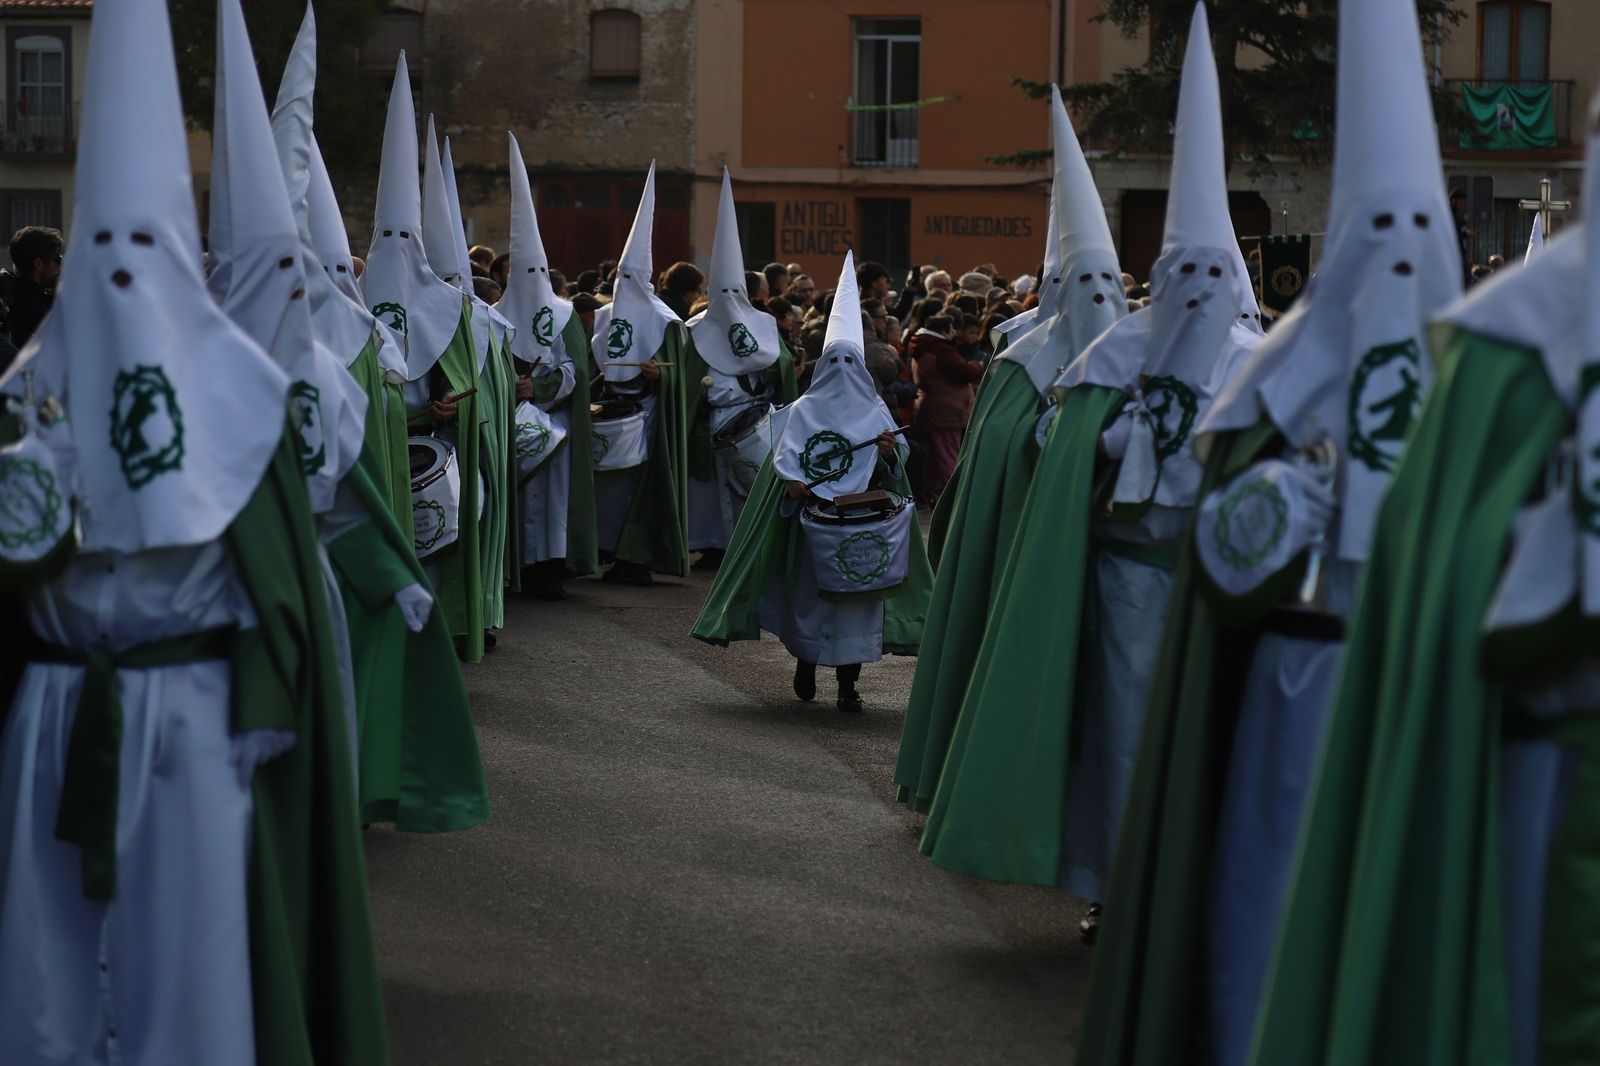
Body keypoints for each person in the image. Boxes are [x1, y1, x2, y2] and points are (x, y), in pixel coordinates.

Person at [1074, 2, 1462, 1062]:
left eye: (1419, 240)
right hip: (1302, 679)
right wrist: (1298, 489)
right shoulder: (1269, 391)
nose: (1399, 264)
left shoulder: (1483, 398)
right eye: (1380, 236)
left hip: (1428, 687)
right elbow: (1230, 551)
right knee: (1279, 894)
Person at [0, 0, 389, 1057]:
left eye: (145, 249)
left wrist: (266, 703)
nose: (123, 275)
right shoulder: (26, 401)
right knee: (48, 968)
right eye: (105, 249)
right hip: (55, 709)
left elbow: (278, 598)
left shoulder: (239, 403)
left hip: (191, 722)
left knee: (194, 969)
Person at [893, 84, 1126, 820]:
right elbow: (989, 468)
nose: (1097, 298)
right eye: (1081, 282)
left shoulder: (1133, 360)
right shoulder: (1019, 362)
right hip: (1018, 553)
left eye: (1106, 284)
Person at [691, 251, 932, 712]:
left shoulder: (876, 412)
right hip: (813, 525)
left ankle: (848, 685)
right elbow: (784, 458)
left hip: (863, 522)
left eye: (850, 360)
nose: (842, 368)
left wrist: (887, 450)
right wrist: (793, 483)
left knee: (856, 605)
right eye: (834, 359)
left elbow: (897, 462)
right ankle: (806, 664)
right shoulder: (800, 411)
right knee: (812, 603)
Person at [363, 52, 490, 662]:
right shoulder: (351, 303)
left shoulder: (451, 309)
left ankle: (435, 638)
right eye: (384, 239)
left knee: (435, 545)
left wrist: (448, 411)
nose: (394, 249)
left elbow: (465, 382)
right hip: (375, 451)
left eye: (402, 238)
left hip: (429, 447)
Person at [685, 171, 800, 563]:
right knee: (711, 491)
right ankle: (715, 546)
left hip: (754, 420)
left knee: (748, 485)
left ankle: (748, 542)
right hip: (711, 420)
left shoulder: (764, 324)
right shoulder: (693, 330)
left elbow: (781, 364)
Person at [503, 131, 597, 601]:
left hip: (555, 424)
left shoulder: (562, 316)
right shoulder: (495, 313)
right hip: (512, 424)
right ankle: (518, 568)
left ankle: (550, 570)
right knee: (518, 500)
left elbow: (572, 372)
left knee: (554, 501)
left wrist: (534, 389)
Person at [590, 162, 695, 585]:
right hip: (609, 413)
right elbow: (594, 367)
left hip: (647, 420)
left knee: (638, 491)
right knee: (608, 489)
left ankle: (636, 556)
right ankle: (604, 550)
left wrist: (659, 378)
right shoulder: (601, 316)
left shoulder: (665, 320)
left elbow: (679, 375)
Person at [908, 311, 983, 505]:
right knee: (946, 456)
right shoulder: (940, 349)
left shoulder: (923, 345)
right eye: (952, 329)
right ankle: (949, 497)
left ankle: (937, 493)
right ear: (944, 331)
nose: (955, 334)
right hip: (946, 411)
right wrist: (978, 365)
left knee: (936, 455)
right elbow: (963, 371)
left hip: (933, 408)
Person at [6, 225, 62, 349]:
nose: (59, 267)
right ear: (39, 264)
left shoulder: (17, 294)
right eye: (58, 259)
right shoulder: (32, 308)